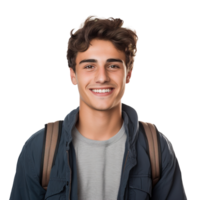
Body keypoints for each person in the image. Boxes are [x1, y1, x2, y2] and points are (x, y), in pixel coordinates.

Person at [9, 13, 188, 200]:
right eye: (89, 66)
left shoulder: (157, 148)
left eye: (113, 66)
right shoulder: (38, 147)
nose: (102, 77)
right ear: (72, 75)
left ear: (129, 74)